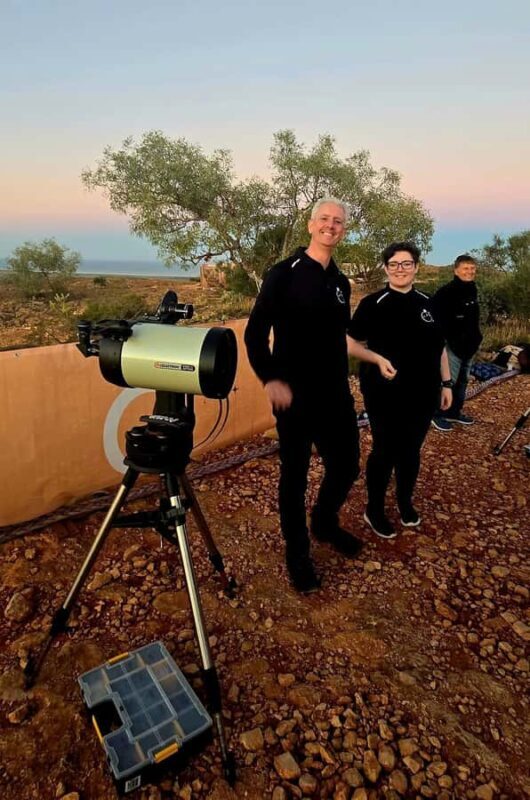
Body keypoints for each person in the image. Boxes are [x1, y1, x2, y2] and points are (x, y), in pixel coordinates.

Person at [244, 198, 363, 592]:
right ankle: (297, 554)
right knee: (293, 477)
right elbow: (255, 333)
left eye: (338, 222)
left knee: (346, 465)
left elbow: (338, 338)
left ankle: (324, 523)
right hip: (293, 396)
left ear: (343, 230)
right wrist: (269, 378)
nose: (331, 226)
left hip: (335, 393)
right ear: (311, 225)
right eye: (325, 219)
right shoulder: (283, 274)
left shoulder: (341, 283)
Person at [347, 242, 453, 538]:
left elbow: (439, 347)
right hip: (384, 392)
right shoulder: (373, 303)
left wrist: (446, 384)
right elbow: (350, 343)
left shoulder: (429, 303)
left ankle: (405, 501)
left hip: (424, 391)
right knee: (385, 450)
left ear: (416, 267)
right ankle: (374, 509)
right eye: (394, 264)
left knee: (411, 450)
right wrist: (377, 359)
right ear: (385, 268)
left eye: (406, 264)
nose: (400, 269)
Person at [431, 254, 482, 431]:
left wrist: (477, 338)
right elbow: (436, 320)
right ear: (456, 270)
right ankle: (437, 413)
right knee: (447, 380)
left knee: (463, 381)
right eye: (466, 268)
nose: (470, 271)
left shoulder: (473, 289)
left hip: (470, 345)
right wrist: (446, 340)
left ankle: (454, 412)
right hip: (451, 346)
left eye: (472, 268)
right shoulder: (446, 292)